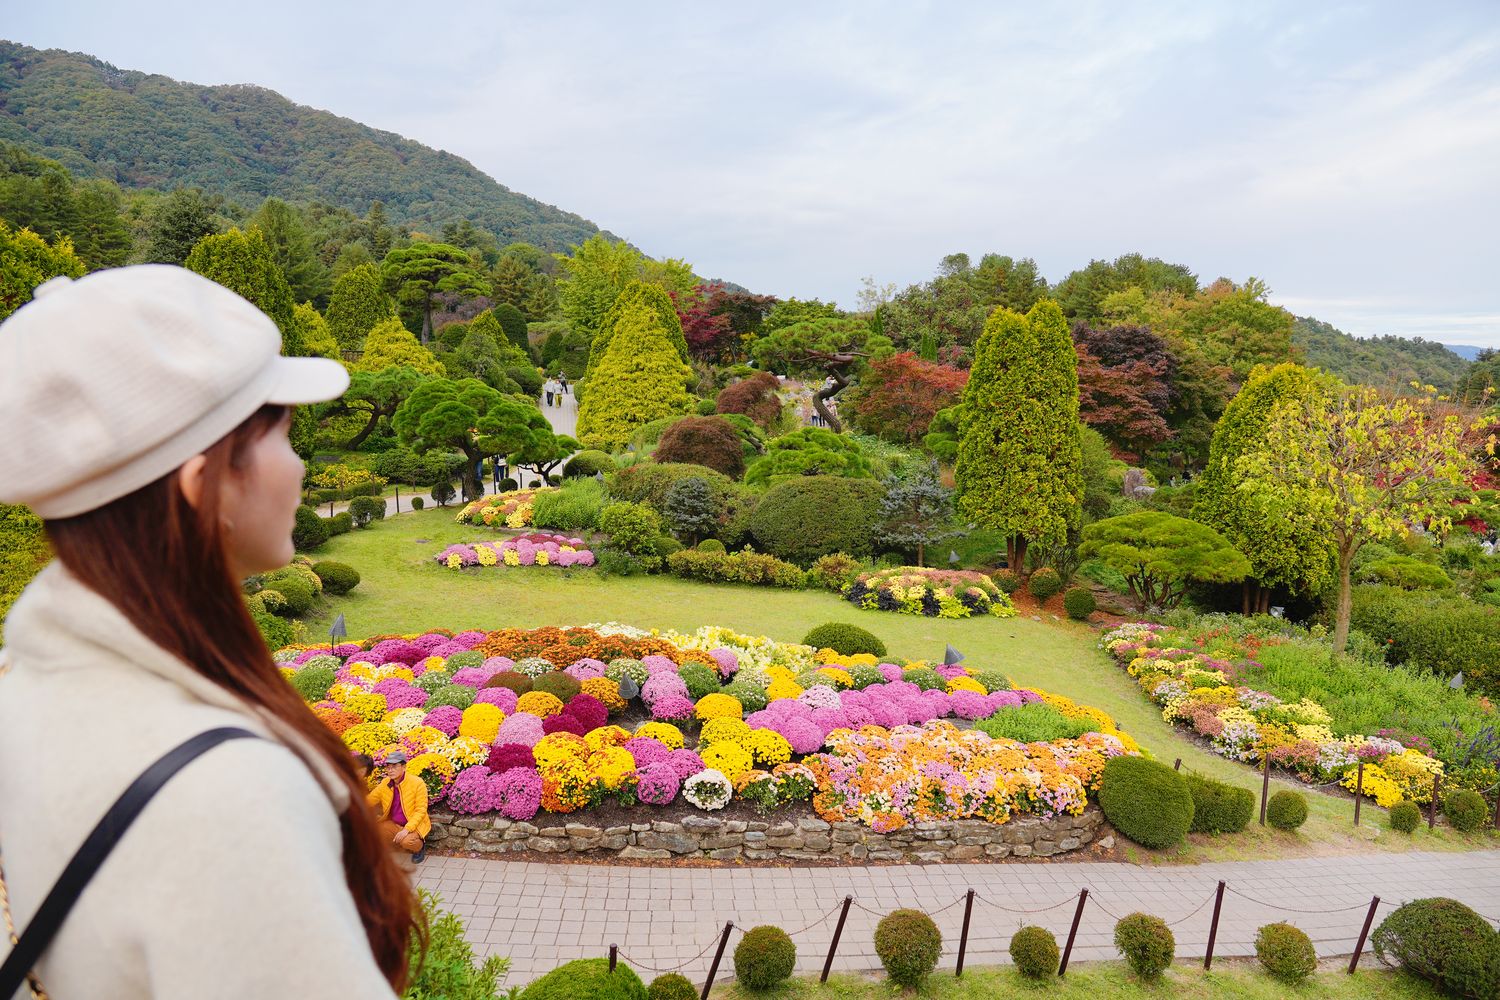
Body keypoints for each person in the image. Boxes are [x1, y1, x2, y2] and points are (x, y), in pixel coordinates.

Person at [0, 266, 417, 998]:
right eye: (285, 435)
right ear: (204, 485)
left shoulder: (25, 684)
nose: (300, 467)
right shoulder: (229, 796)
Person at [367, 750, 430, 864]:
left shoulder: (417, 783)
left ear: (404, 767)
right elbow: (370, 800)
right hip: (394, 824)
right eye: (388, 767)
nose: (390, 770)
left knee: (407, 842)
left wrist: (407, 829)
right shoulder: (386, 783)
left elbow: (420, 810)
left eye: (394, 766)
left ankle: (419, 847)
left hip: (413, 825)